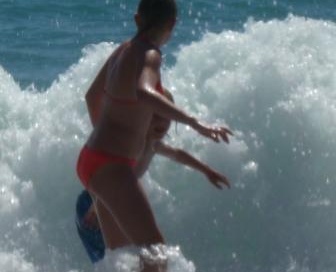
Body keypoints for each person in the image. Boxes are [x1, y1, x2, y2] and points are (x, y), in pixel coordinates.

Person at [76, 0, 232, 272]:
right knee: (155, 251)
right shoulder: (150, 55)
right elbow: (144, 92)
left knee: (121, 260)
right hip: (111, 165)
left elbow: (92, 95)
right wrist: (196, 123)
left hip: (91, 159)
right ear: (172, 25)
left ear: (138, 19)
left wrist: (106, 135)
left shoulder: (122, 50)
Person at [76, 85, 230, 262]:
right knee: (116, 259)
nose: (161, 122)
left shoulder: (153, 144)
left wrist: (207, 170)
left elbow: (177, 154)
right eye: (155, 115)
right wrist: (95, 208)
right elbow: (106, 177)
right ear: (142, 117)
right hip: (93, 204)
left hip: (109, 202)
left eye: (166, 117)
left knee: (123, 258)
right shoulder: (132, 145)